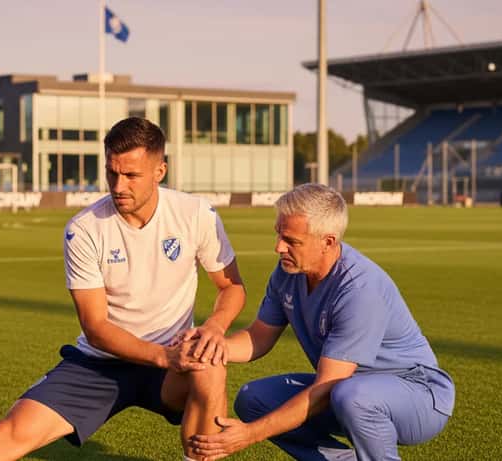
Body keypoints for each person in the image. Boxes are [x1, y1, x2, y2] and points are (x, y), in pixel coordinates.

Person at [0, 117, 246, 461]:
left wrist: (213, 327)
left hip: (171, 366)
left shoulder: (196, 214)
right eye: (111, 173)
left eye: (132, 175)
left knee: (210, 363)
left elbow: (231, 286)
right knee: (7, 435)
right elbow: (96, 327)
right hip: (100, 363)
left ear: (159, 171)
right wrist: (163, 355)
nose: (118, 186)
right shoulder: (85, 229)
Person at [190, 183, 455, 461]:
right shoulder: (287, 271)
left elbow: (326, 387)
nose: (278, 247)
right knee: (253, 399)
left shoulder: (360, 289)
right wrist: (211, 348)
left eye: (292, 241)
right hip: (348, 388)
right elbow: (258, 337)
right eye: (279, 235)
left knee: (350, 396)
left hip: (418, 395)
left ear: (328, 241)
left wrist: (249, 434)